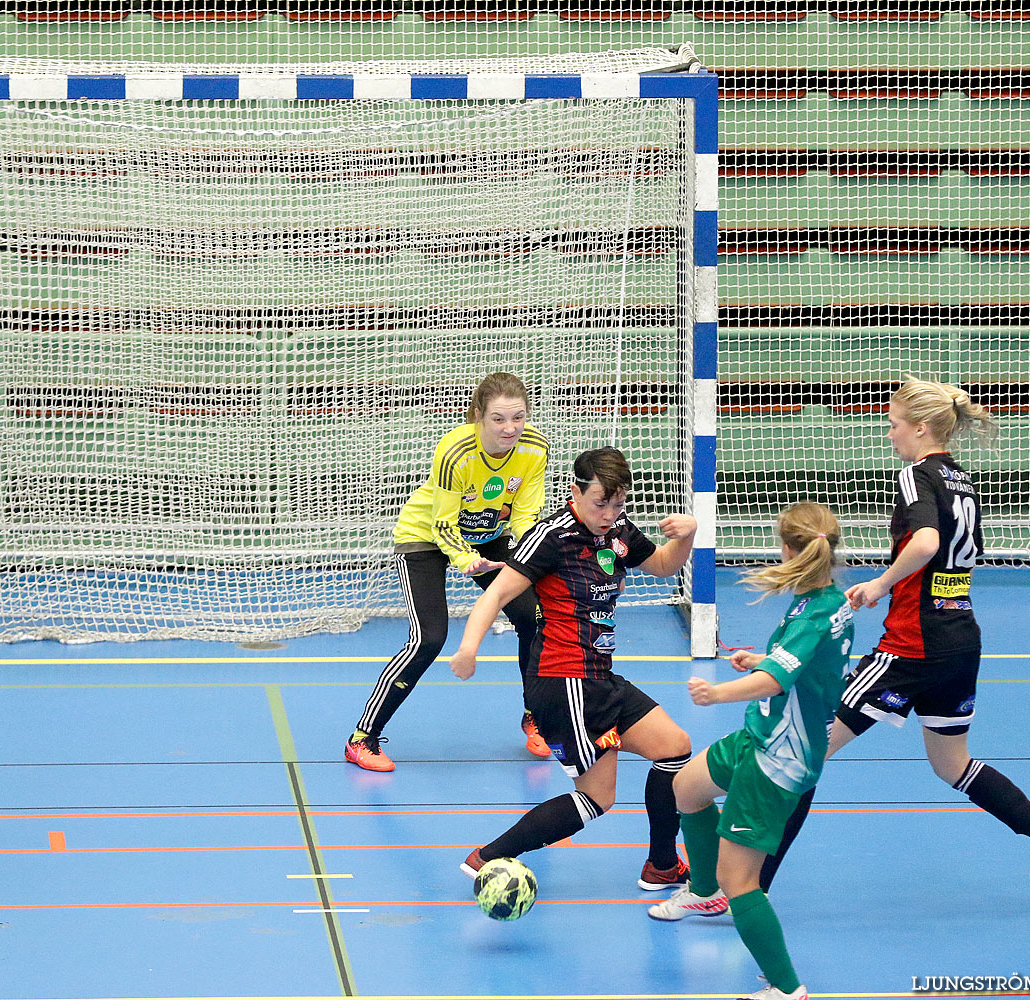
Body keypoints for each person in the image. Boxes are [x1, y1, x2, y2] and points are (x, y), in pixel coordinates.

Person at [758, 377, 1030, 907]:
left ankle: (750, 889)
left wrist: (881, 582)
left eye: (893, 425)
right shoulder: (962, 479)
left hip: (911, 647)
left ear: (920, 428)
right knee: (952, 764)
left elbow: (928, 541)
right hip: (960, 639)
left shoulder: (916, 475)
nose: (890, 435)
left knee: (807, 748)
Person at [450, 447, 698, 891]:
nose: (609, 513)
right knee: (597, 798)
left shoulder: (618, 531)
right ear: (575, 491)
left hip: (599, 677)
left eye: (618, 503)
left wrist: (686, 536)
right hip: (562, 682)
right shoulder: (551, 536)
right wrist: (468, 649)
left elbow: (662, 565)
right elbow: (496, 595)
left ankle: (662, 866)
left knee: (674, 748)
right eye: (601, 502)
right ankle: (488, 856)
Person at [646, 503, 853, 1000]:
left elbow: (777, 678)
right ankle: (701, 893)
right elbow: (804, 665)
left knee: (740, 881)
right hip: (759, 735)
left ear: (788, 548)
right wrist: (761, 657)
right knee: (686, 788)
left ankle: (786, 988)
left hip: (777, 758)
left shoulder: (816, 611)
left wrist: (718, 691)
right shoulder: (822, 598)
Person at [345, 372, 549, 772]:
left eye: (519, 417)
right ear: (478, 416)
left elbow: (525, 515)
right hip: (426, 537)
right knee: (429, 638)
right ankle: (362, 738)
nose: (510, 428)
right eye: (499, 419)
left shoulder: (535, 447)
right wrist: (465, 561)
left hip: (489, 534)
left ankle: (536, 716)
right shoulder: (456, 451)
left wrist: (529, 559)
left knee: (535, 618)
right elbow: (442, 523)